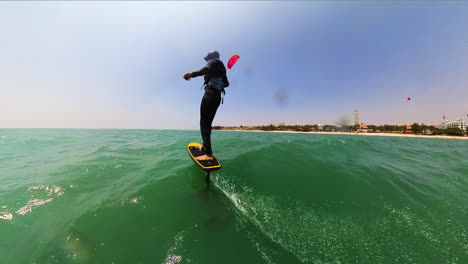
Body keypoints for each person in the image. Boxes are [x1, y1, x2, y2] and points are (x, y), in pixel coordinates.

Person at [183, 50, 229, 161]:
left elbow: (205, 69)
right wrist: (219, 77)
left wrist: (191, 74)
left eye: (208, 58)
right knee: (208, 123)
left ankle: (207, 153)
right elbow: (226, 84)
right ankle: (205, 147)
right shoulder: (222, 68)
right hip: (217, 97)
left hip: (210, 94)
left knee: (204, 122)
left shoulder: (213, 61)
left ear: (212, 56)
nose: (207, 61)